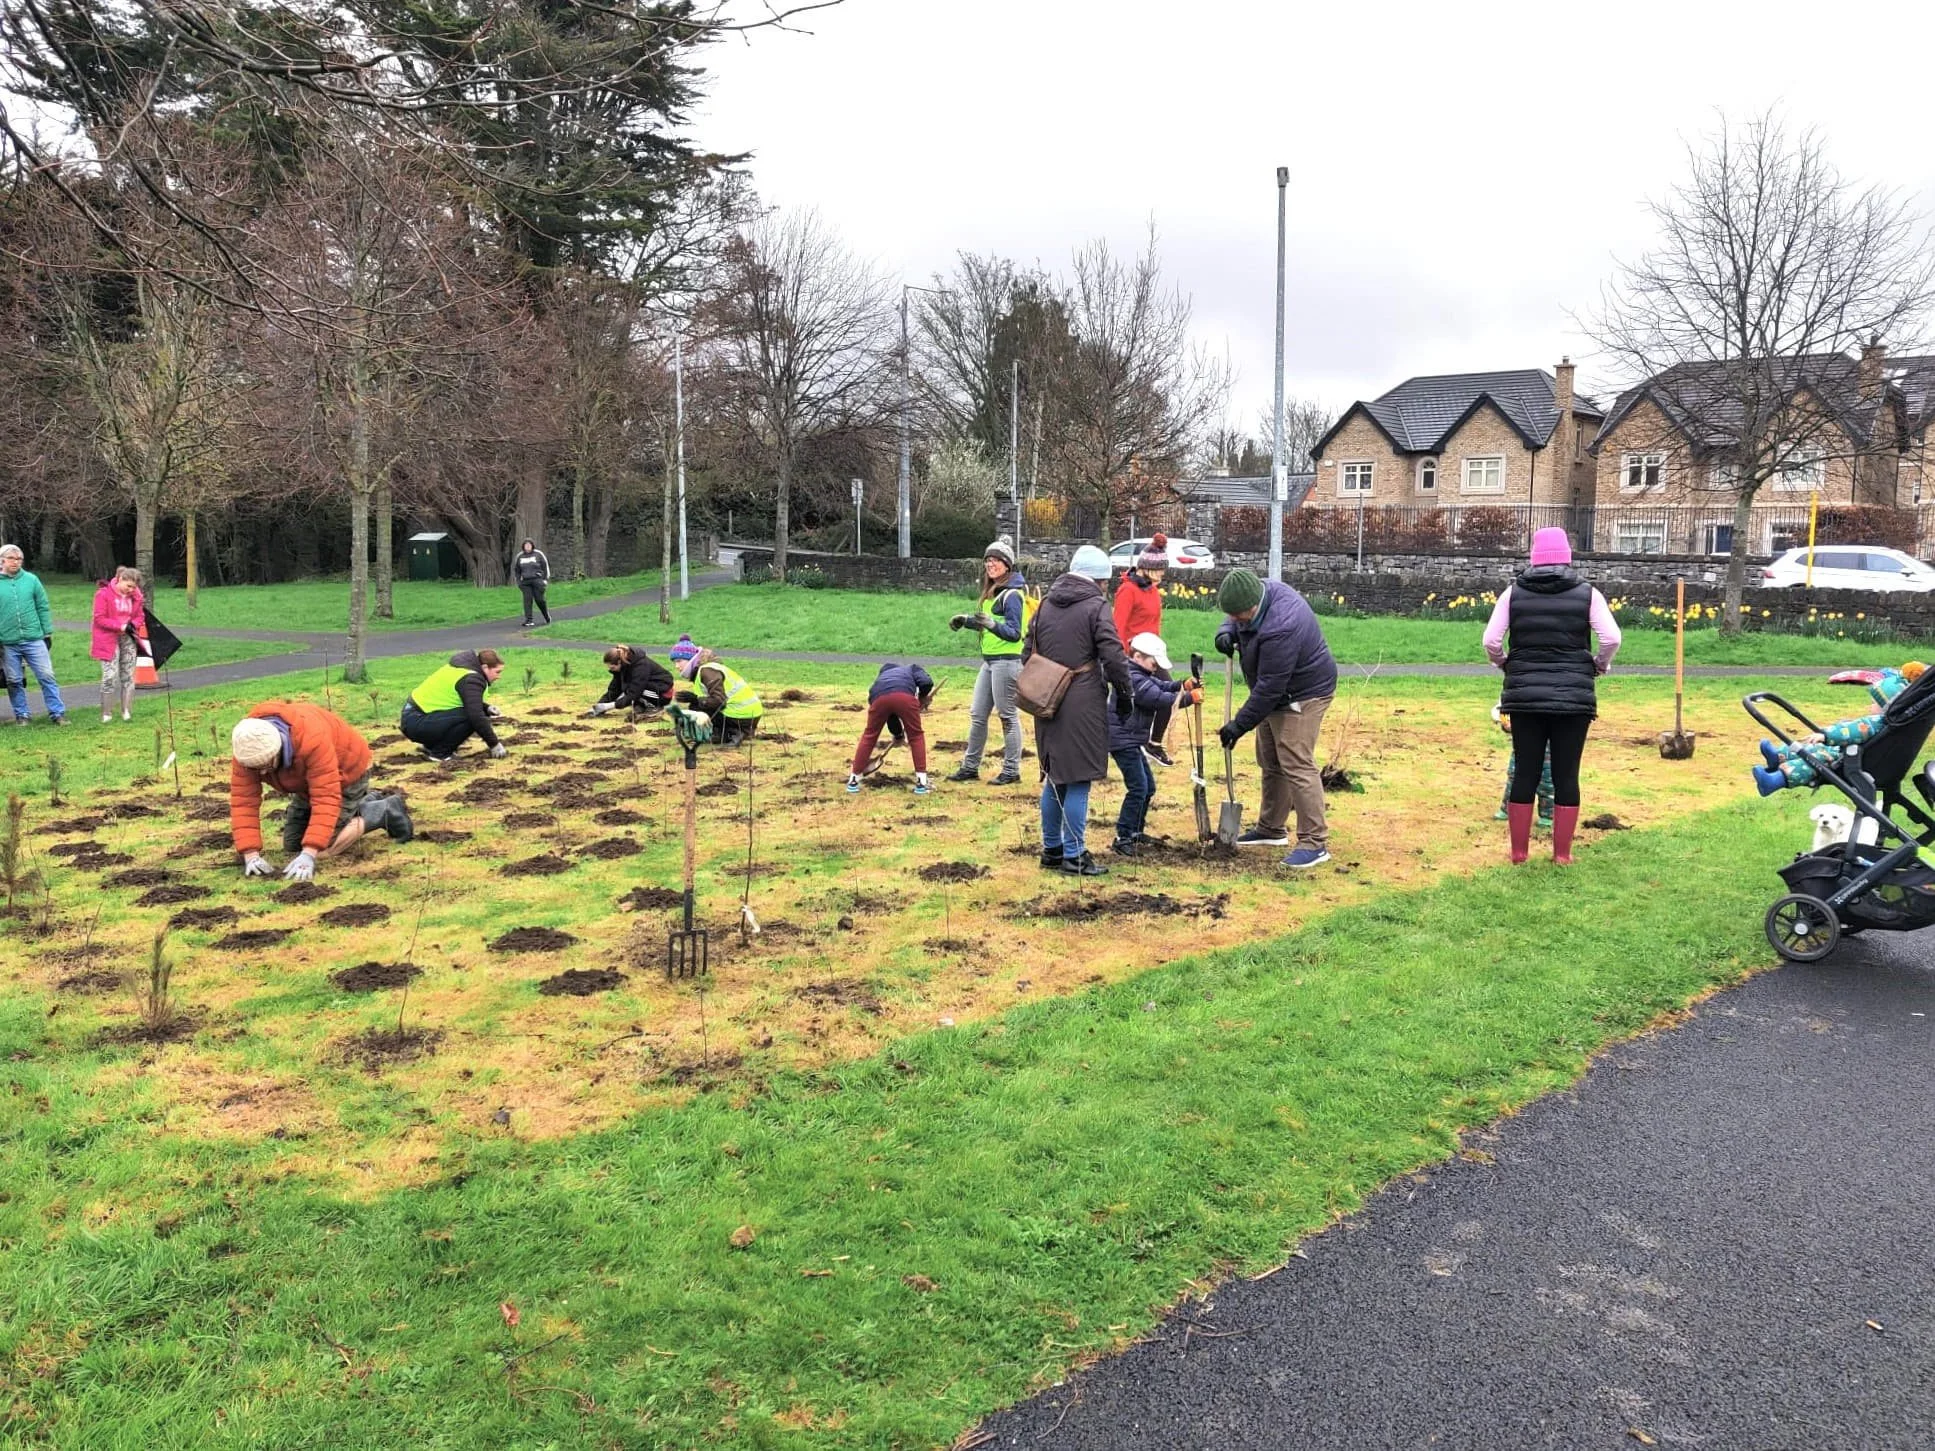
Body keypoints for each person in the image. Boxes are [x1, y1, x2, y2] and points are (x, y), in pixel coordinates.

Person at [1483, 527, 1622, 866]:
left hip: (1525, 697)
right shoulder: (1588, 594)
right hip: (1573, 698)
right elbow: (1611, 637)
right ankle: (1561, 854)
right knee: (1566, 774)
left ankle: (1519, 853)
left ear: (1533, 556)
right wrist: (1598, 665)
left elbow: (1490, 640)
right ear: (1567, 556)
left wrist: (1505, 664)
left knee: (1526, 771)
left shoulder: (1512, 593)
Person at [1213, 568, 1339, 869]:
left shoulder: (1282, 624)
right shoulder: (1256, 591)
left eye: (1240, 617)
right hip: (1274, 690)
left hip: (1303, 693)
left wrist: (1239, 725)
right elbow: (1232, 616)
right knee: (1270, 759)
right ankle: (1271, 829)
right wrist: (1226, 631)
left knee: (1296, 761)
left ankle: (1314, 841)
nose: (1237, 620)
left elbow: (1270, 688)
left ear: (1254, 606)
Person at [1025, 544, 1134, 876]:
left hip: (1046, 699)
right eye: (1106, 582)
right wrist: (1125, 693)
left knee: (1055, 777)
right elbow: (1113, 654)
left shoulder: (1044, 605)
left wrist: (1048, 681)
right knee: (1079, 779)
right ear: (1099, 580)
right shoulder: (1095, 606)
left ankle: (1052, 850)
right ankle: (1075, 855)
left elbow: (1027, 652)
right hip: (1081, 701)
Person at [229, 701, 412, 881]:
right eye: (255, 768)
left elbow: (325, 797)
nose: (261, 773)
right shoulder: (247, 750)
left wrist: (310, 853)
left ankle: (383, 811)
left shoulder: (311, 741)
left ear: (279, 748)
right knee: (293, 845)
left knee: (323, 849)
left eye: (266, 765)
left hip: (347, 773)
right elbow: (243, 802)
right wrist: (250, 854)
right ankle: (365, 801)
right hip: (307, 784)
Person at [1751, 662, 1927, 794]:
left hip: (1849, 757)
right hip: (1856, 752)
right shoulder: (1891, 721)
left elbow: (1851, 731)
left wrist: (1826, 735)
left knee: (1813, 758)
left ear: (1885, 705)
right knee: (1810, 747)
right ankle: (1777, 756)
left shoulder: (1876, 722)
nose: (1870, 706)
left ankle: (1776, 781)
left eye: (1874, 703)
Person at [1108, 632, 1198, 857]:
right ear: (1137, 657)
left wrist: (1182, 685)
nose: (1156, 667)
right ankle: (1123, 836)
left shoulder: (1142, 672)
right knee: (1138, 788)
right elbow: (1157, 699)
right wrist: (1189, 698)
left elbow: (1162, 687)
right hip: (1122, 739)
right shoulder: (1133, 677)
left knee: (1148, 787)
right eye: (1153, 662)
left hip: (1131, 738)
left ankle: (1136, 831)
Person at [947, 538, 1029, 786]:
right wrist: (966, 620)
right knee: (978, 715)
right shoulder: (993, 591)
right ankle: (970, 767)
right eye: (987, 560)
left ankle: (1012, 770)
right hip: (990, 662)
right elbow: (989, 622)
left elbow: (1014, 632)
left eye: (995, 560)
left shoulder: (1013, 594)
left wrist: (991, 625)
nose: (990, 564)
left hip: (1007, 662)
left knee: (1007, 716)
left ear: (1007, 565)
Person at [1112, 535, 1175, 765]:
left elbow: (1154, 625)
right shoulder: (1127, 591)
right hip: (1134, 658)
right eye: (1159, 570)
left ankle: (1149, 744)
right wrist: (1121, 659)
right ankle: (1145, 745)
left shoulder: (1152, 590)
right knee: (1162, 699)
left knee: (1158, 700)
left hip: (1153, 656)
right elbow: (1117, 627)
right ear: (1146, 568)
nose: (1162, 575)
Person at [402, 649, 507, 763]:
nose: (498, 677)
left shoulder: (462, 669)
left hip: (414, 718)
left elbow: (466, 699)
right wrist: (494, 744)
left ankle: (432, 746)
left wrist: (486, 708)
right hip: (417, 721)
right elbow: (475, 715)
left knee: (472, 713)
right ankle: (440, 754)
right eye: (497, 672)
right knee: (472, 717)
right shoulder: (472, 678)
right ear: (485, 668)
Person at [0, 543, 65, 726]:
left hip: (34, 638)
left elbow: (42, 606)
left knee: (46, 675)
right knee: (14, 680)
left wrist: (47, 631)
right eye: (12, 558)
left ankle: (57, 713)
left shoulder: (31, 580)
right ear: (2, 560)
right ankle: (22, 715)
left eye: (19, 559)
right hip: (7, 642)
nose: (16, 562)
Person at [847, 662, 936, 796]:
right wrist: (923, 698)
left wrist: (898, 734)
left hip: (878, 700)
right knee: (916, 736)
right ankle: (921, 784)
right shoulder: (911, 668)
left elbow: (890, 715)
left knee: (869, 736)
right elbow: (926, 682)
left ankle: (853, 781)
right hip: (905, 697)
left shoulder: (877, 683)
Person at [91, 566, 150, 724]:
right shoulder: (103, 594)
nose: (130, 590)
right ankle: (106, 712)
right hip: (108, 638)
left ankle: (126, 711)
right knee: (110, 675)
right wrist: (121, 626)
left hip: (128, 638)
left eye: (134, 587)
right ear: (120, 580)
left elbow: (140, 615)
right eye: (128, 586)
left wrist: (134, 624)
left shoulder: (136, 596)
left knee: (128, 675)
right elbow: (99, 618)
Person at [676, 647, 763, 746]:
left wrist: (695, 699)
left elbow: (719, 702)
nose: (676, 666)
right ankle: (724, 734)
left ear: (691, 659)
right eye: (674, 662)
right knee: (697, 706)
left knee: (696, 707)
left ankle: (732, 733)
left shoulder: (707, 671)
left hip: (741, 716)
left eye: (679, 661)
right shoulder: (709, 669)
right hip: (748, 714)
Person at [1492, 704, 1555, 827]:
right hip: (1523, 745)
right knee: (1514, 777)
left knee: (1546, 781)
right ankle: (1508, 808)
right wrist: (1506, 724)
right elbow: (1505, 709)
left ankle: (1547, 814)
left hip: (1548, 748)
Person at [591, 644, 674, 718]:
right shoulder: (622, 667)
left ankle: (655, 707)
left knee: (631, 688)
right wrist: (598, 706)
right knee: (627, 687)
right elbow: (614, 690)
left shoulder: (640, 666)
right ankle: (641, 705)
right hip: (649, 689)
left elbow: (634, 693)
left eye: (612, 668)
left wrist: (610, 706)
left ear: (619, 662)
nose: (611, 670)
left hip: (663, 694)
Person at [512, 538, 552, 627]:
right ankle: (529, 620)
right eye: (526, 545)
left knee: (539, 600)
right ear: (523, 546)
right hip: (525, 582)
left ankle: (546, 616)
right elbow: (517, 570)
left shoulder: (539, 554)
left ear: (532, 545)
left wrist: (545, 580)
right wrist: (519, 581)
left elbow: (545, 567)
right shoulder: (520, 556)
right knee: (527, 600)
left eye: (529, 545)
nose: (527, 546)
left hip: (537, 580)